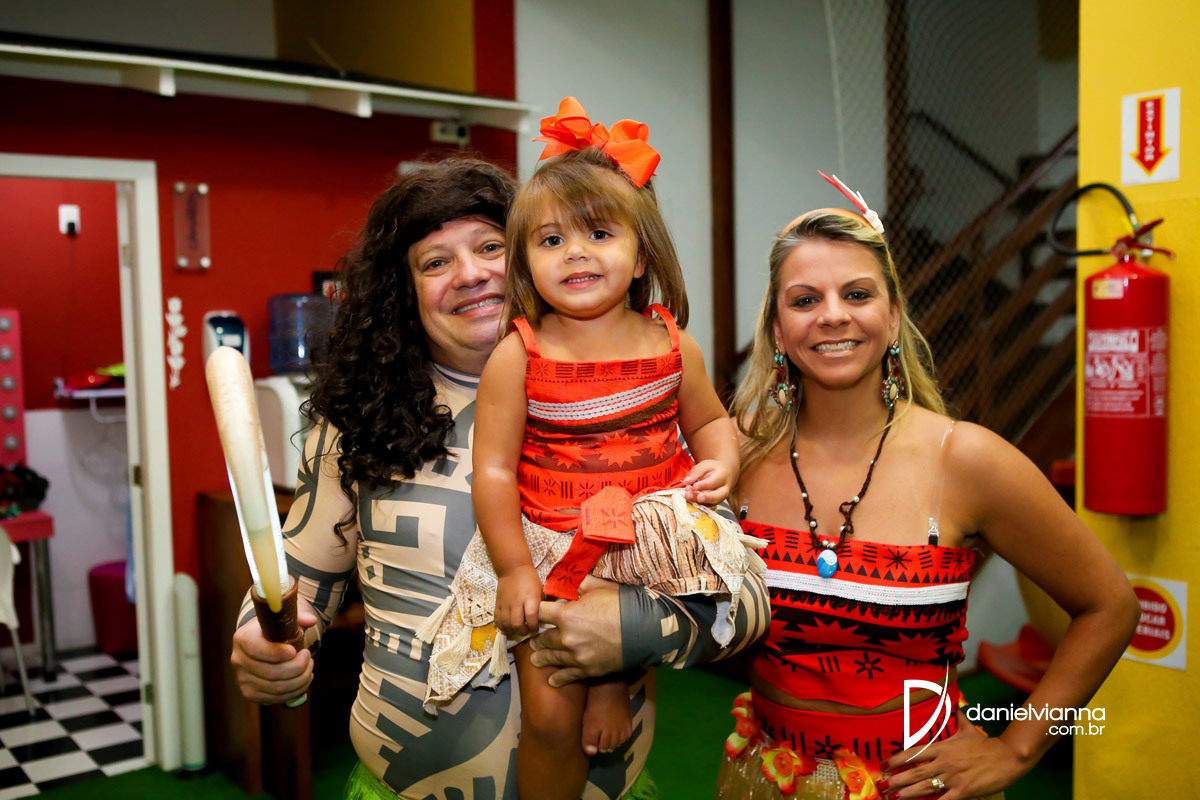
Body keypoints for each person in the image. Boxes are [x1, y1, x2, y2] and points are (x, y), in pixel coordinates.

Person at [228, 155, 769, 800]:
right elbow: (299, 570)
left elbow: (744, 598)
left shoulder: (647, 393)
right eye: (435, 262)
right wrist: (262, 636)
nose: (471, 274)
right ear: (404, 289)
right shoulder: (355, 422)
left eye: (490, 247)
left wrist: (632, 630)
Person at [716, 175, 1139, 799]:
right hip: (765, 779)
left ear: (892, 318)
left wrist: (1016, 748)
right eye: (804, 300)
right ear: (778, 331)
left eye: (857, 294)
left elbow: (1111, 606)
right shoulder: (736, 453)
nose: (832, 314)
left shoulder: (966, 459)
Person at [415, 99, 762, 800]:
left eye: (599, 233)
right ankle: (594, 697)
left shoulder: (673, 344)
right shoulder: (520, 354)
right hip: (552, 545)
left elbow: (711, 422)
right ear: (526, 262)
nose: (575, 252)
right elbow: (493, 471)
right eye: (551, 240)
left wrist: (722, 462)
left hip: (647, 538)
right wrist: (514, 569)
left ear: (641, 255)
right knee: (548, 718)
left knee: (633, 618)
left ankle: (614, 681)